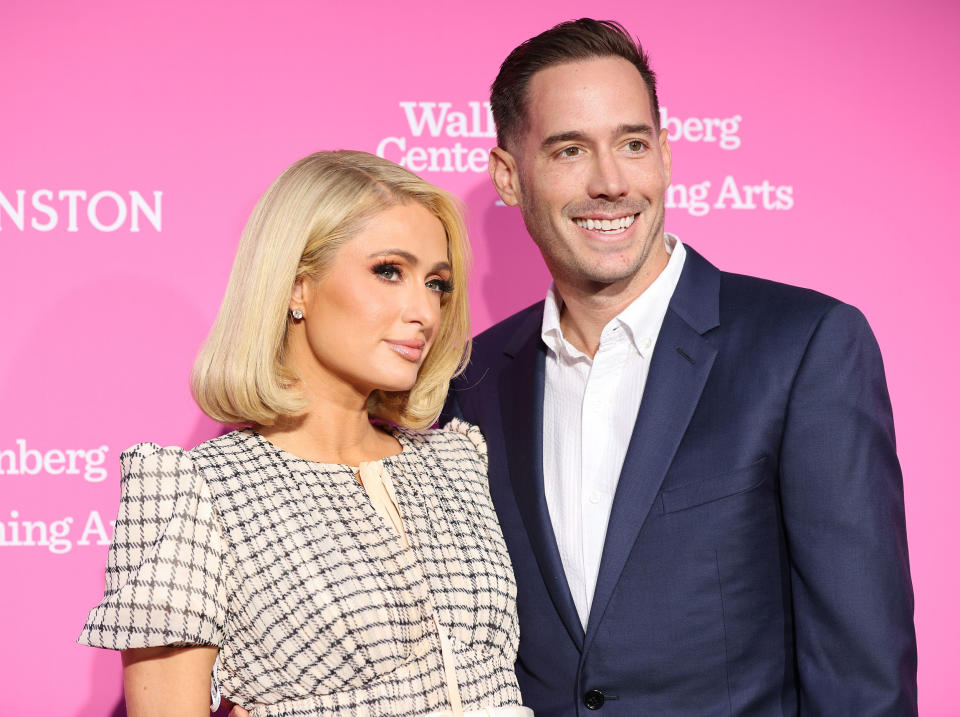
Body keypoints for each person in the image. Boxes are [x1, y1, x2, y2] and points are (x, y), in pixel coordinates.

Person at [442, 19, 918, 715]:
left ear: (665, 155)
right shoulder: (473, 380)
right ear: (509, 177)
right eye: (570, 150)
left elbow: (862, 673)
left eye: (632, 144)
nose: (610, 183)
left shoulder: (803, 345)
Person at [79, 151, 531, 716]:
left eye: (436, 283)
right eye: (389, 271)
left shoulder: (456, 462)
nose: (424, 311)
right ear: (297, 286)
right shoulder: (197, 492)